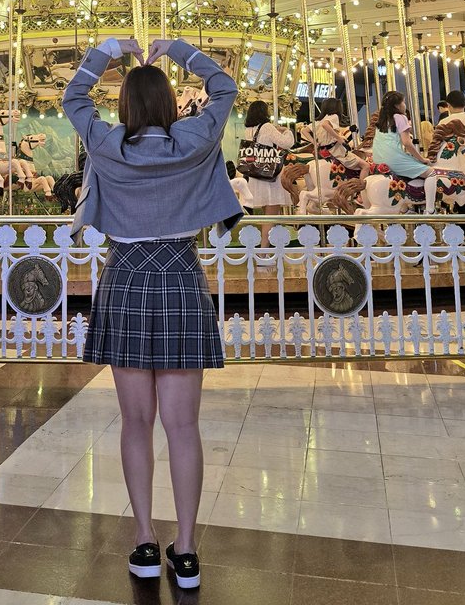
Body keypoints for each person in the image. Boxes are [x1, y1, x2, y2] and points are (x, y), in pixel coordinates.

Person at [63, 34, 241, 591]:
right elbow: (225, 86)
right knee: (183, 425)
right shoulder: (194, 140)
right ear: (168, 106)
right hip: (181, 277)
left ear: (124, 108)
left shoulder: (108, 145)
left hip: (127, 276)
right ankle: (184, 552)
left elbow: (73, 99)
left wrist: (107, 51)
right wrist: (180, 50)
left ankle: (144, 540)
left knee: (135, 421)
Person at [241, 99, 294, 214]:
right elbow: (286, 143)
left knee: (267, 211)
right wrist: (287, 131)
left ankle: (267, 232)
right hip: (269, 174)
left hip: (256, 173)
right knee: (272, 212)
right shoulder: (266, 127)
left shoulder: (249, 130)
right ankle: (266, 233)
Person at [371, 91, 434, 182]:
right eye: (404, 102)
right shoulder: (400, 117)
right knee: (431, 173)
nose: (405, 105)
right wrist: (422, 159)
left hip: (377, 159)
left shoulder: (382, 120)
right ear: (397, 105)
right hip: (393, 159)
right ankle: (430, 197)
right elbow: (407, 143)